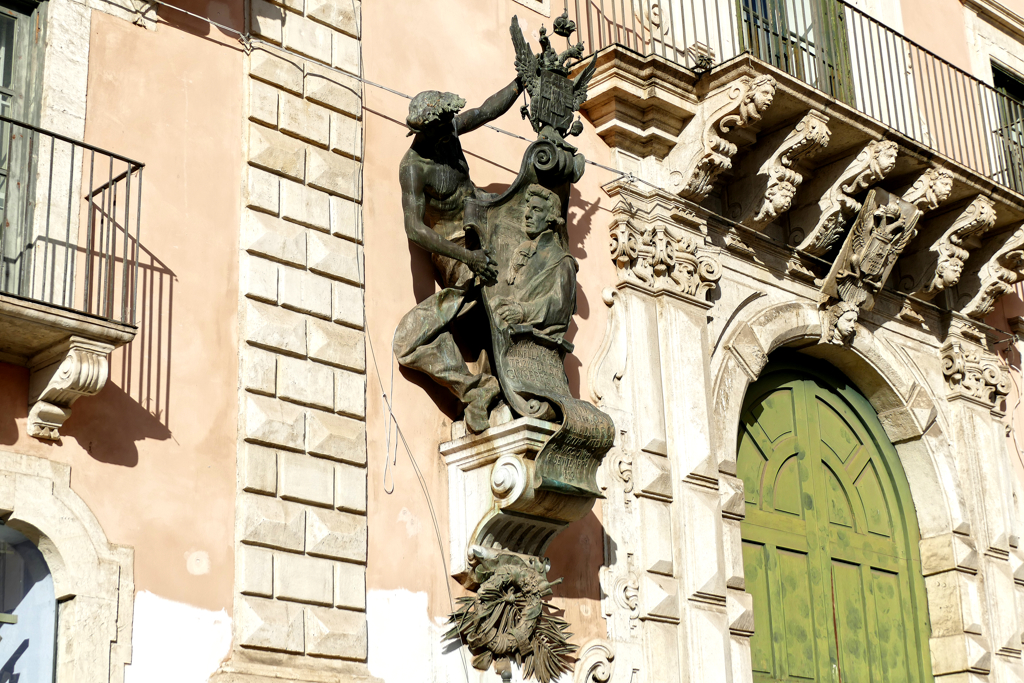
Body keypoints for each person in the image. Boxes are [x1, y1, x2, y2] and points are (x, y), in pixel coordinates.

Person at [393, 80, 523, 434]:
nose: (451, 136)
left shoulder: (447, 130)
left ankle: (509, 378)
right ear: (424, 133)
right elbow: (415, 230)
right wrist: (466, 258)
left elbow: (485, 110)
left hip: (487, 228)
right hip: (455, 251)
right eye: (443, 133)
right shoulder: (413, 168)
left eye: (450, 128)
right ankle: (478, 389)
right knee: (408, 342)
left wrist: (519, 84)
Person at [493, 185, 577, 339]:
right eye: (528, 208)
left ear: (551, 218)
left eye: (536, 210)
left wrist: (523, 312)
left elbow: (561, 306)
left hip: (531, 341)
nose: (527, 215)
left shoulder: (563, 261)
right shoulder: (522, 250)